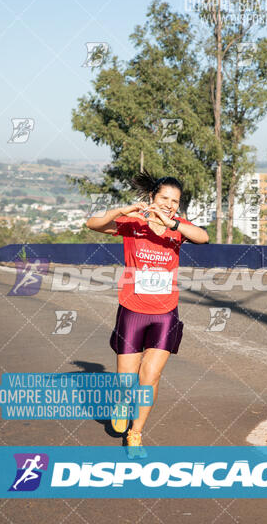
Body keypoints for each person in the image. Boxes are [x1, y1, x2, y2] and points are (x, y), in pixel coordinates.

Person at [86, 169, 209, 453]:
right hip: (132, 310)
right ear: (152, 197)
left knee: (150, 377)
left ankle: (135, 433)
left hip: (165, 314)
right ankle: (120, 401)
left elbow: (203, 237)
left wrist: (174, 224)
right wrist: (121, 209)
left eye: (175, 201)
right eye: (164, 197)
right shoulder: (132, 223)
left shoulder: (178, 227)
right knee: (127, 380)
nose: (169, 204)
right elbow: (93, 224)